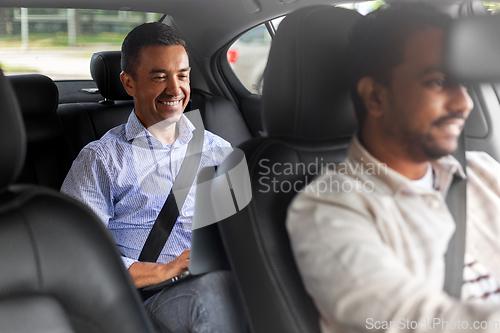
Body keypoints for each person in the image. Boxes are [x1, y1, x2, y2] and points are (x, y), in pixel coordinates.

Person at [286, 4, 500, 333]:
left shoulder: (482, 171)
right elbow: (414, 322)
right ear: (374, 97)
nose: (464, 103)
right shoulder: (327, 211)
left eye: (465, 85)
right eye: (438, 82)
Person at [61, 22, 246, 333]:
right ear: (129, 83)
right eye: (159, 77)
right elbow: (71, 253)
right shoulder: (102, 159)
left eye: (182, 75)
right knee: (216, 293)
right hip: (143, 299)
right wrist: (160, 271)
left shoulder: (219, 149)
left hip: (218, 278)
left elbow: (245, 225)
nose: (175, 89)